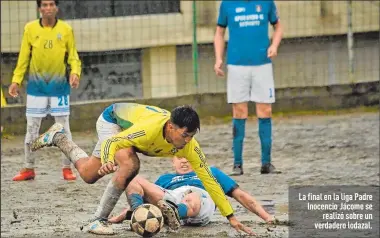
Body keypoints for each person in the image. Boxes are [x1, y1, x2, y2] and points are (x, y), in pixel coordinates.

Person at [30, 103, 254, 235]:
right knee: (130, 164)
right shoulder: (148, 130)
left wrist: (230, 217)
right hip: (112, 120)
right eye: (185, 135)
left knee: (88, 175)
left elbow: (209, 180)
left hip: (125, 133)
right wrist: (109, 160)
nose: (187, 141)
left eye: (192, 136)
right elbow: (112, 142)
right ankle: (97, 220)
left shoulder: (190, 147)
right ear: (170, 127)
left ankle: (58, 138)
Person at [9, 0, 81, 181]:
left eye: (51, 4)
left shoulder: (66, 30)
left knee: (63, 128)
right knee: (32, 129)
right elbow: (23, 57)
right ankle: (28, 168)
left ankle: (67, 168)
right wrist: (16, 80)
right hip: (36, 88)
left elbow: (73, 57)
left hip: (59, 88)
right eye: (44, 5)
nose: (48, 8)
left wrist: (75, 73)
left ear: (56, 8)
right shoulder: (30, 29)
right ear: (39, 8)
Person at [109, 156, 277, 229]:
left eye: (187, 157)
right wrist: (128, 211)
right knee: (133, 179)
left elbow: (241, 195)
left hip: (200, 199)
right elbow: (146, 197)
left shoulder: (209, 172)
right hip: (171, 196)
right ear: (173, 161)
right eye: (179, 157)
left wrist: (266, 216)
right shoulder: (165, 178)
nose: (184, 161)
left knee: (192, 197)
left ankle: (172, 214)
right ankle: (139, 215)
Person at [214, 0, 283, 175]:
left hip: (262, 64)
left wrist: (274, 46)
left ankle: (266, 163)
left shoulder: (266, 3)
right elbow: (219, 33)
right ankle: (237, 164)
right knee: (239, 111)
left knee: (265, 110)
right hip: (237, 65)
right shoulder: (227, 4)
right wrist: (218, 58)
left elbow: (278, 27)